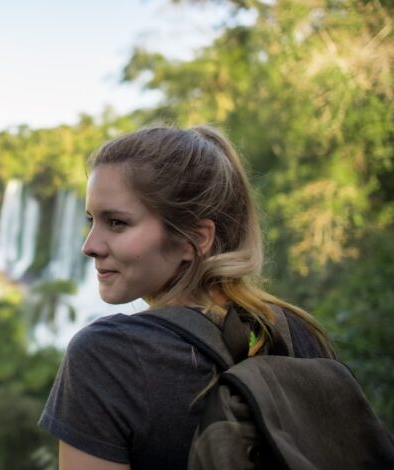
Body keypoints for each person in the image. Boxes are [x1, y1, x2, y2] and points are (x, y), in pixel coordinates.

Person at [38, 125, 334, 469]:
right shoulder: (299, 333)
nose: (89, 246)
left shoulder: (108, 358)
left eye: (116, 223)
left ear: (195, 236)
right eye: (92, 220)